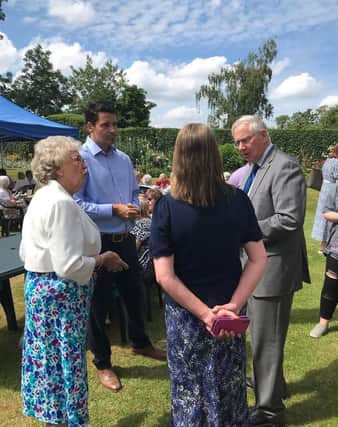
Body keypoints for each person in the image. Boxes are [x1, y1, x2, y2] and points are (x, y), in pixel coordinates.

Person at [151, 123, 267, 426]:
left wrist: (206, 314)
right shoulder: (238, 200)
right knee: (229, 393)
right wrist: (234, 305)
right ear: (215, 155)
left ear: (178, 157)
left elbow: (164, 276)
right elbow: (258, 259)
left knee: (191, 396)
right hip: (228, 317)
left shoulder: (166, 207)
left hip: (188, 320)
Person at [19, 136, 127, 427]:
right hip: (59, 298)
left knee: (51, 368)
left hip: (48, 294)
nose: (84, 165)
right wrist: (101, 260)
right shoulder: (60, 203)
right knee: (61, 369)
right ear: (57, 169)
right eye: (76, 159)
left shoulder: (48, 196)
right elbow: (68, 266)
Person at [74, 101, 166, 393]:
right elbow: (75, 204)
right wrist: (112, 209)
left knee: (134, 293)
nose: (113, 130)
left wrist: (134, 207)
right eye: (106, 125)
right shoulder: (79, 158)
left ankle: (140, 343)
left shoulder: (124, 159)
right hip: (95, 241)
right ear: (90, 127)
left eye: (115, 124)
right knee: (97, 303)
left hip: (125, 239)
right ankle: (102, 363)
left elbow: (131, 195)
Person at [232, 115, 310, 426]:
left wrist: (244, 231)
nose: (240, 147)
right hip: (257, 268)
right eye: (237, 141)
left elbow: (289, 219)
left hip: (274, 271)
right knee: (263, 336)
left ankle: (269, 411)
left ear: (263, 135)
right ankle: (273, 386)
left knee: (267, 340)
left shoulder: (284, 166)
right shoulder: (256, 167)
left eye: (245, 140)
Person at [310, 182, 338, 337]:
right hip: (337, 245)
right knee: (331, 285)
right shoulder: (335, 188)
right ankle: (323, 323)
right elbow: (326, 212)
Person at [311, 143, 338, 254]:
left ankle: (322, 246)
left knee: (323, 218)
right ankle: (326, 247)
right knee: (331, 218)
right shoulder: (337, 163)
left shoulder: (328, 160)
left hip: (324, 189)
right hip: (332, 191)